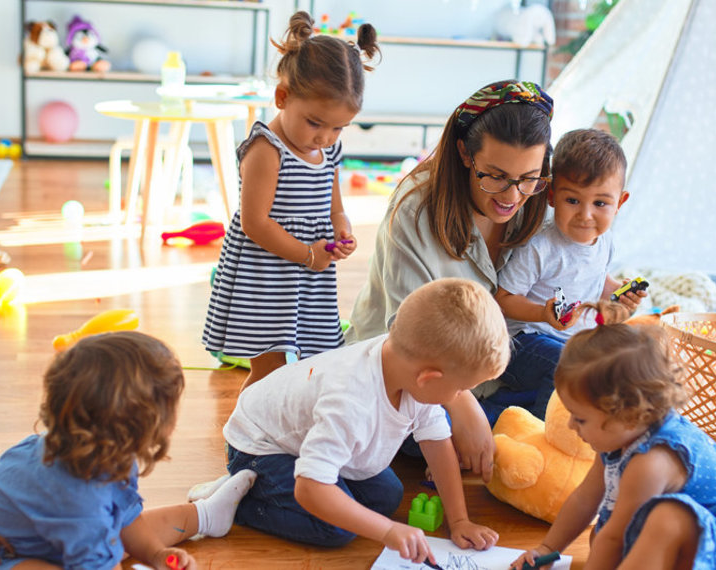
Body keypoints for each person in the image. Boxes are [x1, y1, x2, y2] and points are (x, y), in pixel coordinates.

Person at [346, 79, 555, 481]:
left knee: (575, 374)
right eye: (494, 176)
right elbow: (407, 342)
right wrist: (462, 405)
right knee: (413, 421)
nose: (512, 196)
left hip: (490, 368)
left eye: (529, 177)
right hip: (419, 374)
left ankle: (485, 443)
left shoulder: (537, 198)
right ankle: (493, 441)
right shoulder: (415, 209)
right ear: (464, 152)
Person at [220, 278, 505, 565]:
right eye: (460, 390)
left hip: (301, 435)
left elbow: (437, 443)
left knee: (387, 496)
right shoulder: (351, 402)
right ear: (428, 378)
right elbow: (309, 488)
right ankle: (235, 500)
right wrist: (389, 530)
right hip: (258, 447)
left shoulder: (407, 365)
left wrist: (459, 521)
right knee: (335, 528)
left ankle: (294, 478)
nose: (459, 397)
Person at [0, 332, 257, 570]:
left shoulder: (104, 450)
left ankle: (206, 515)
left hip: (46, 539)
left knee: (119, 533)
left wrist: (157, 554)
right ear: (140, 425)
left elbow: (128, 517)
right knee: (103, 542)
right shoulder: (79, 501)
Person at [508, 304, 716, 570]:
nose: (571, 425)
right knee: (601, 535)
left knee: (655, 522)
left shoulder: (651, 461)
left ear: (628, 413)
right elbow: (584, 500)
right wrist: (548, 549)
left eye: (581, 418)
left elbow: (617, 538)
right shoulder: (619, 438)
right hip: (681, 543)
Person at [203, 11, 379, 389]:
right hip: (265, 274)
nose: (325, 137)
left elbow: (335, 206)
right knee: (269, 368)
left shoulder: (329, 150)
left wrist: (342, 230)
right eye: (315, 122)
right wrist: (307, 253)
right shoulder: (268, 149)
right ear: (282, 97)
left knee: (314, 363)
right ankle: (246, 437)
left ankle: (286, 423)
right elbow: (255, 223)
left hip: (309, 274)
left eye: (338, 127)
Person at [492, 128, 645, 422]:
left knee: (622, 361)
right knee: (567, 366)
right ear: (552, 196)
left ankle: (513, 406)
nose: (585, 215)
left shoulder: (606, 241)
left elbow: (597, 281)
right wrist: (542, 313)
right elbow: (503, 298)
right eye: (573, 201)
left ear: (620, 203)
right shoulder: (542, 246)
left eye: (600, 203)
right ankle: (540, 435)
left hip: (574, 342)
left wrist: (619, 295)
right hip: (523, 340)